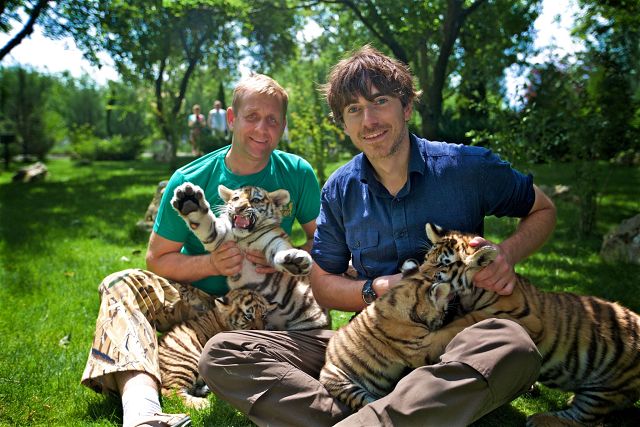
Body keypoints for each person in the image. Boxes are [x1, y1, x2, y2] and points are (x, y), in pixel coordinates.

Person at [199, 45, 557, 426]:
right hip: (370, 344)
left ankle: (363, 417)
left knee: (515, 348)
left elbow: (543, 209)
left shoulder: (468, 167)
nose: (368, 120)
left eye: (379, 101)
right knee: (223, 354)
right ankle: (410, 411)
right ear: (344, 122)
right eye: (353, 109)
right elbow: (322, 284)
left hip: (452, 338)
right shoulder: (339, 189)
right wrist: (375, 288)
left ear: (406, 107)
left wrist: (506, 253)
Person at [80, 74, 321, 427]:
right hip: (204, 300)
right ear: (231, 119)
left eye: (272, 120)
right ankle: (143, 409)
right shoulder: (189, 178)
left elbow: (325, 244)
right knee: (119, 284)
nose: (262, 128)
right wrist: (211, 263)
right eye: (252, 116)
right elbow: (156, 259)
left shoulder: (297, 173)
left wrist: (286, 259)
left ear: (283, 125)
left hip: (268, 304)